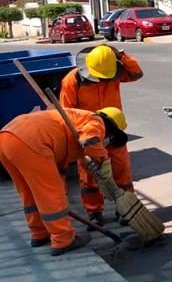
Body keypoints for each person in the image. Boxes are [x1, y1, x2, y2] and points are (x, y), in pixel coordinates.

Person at [0, 107, 127, 256]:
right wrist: (102, 160)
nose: (107, 144)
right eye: (110, 141)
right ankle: (63, 239)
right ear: (112, 130)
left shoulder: (75, 121)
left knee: (29, 193)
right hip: (31, 141)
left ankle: (39, 233)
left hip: (7, 139)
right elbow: (90, 139)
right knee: (50, 194)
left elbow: (60, 159)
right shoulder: (96, 121)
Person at [60, 44, 143, 227]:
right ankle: (94, 211)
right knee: (90, 175)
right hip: (89, 134)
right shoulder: (72, 81)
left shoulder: (114, 72)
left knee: (122, 171)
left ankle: (125, 209)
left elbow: (136, 73)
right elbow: (67, 112)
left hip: (113, 129)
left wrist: (122, 56)